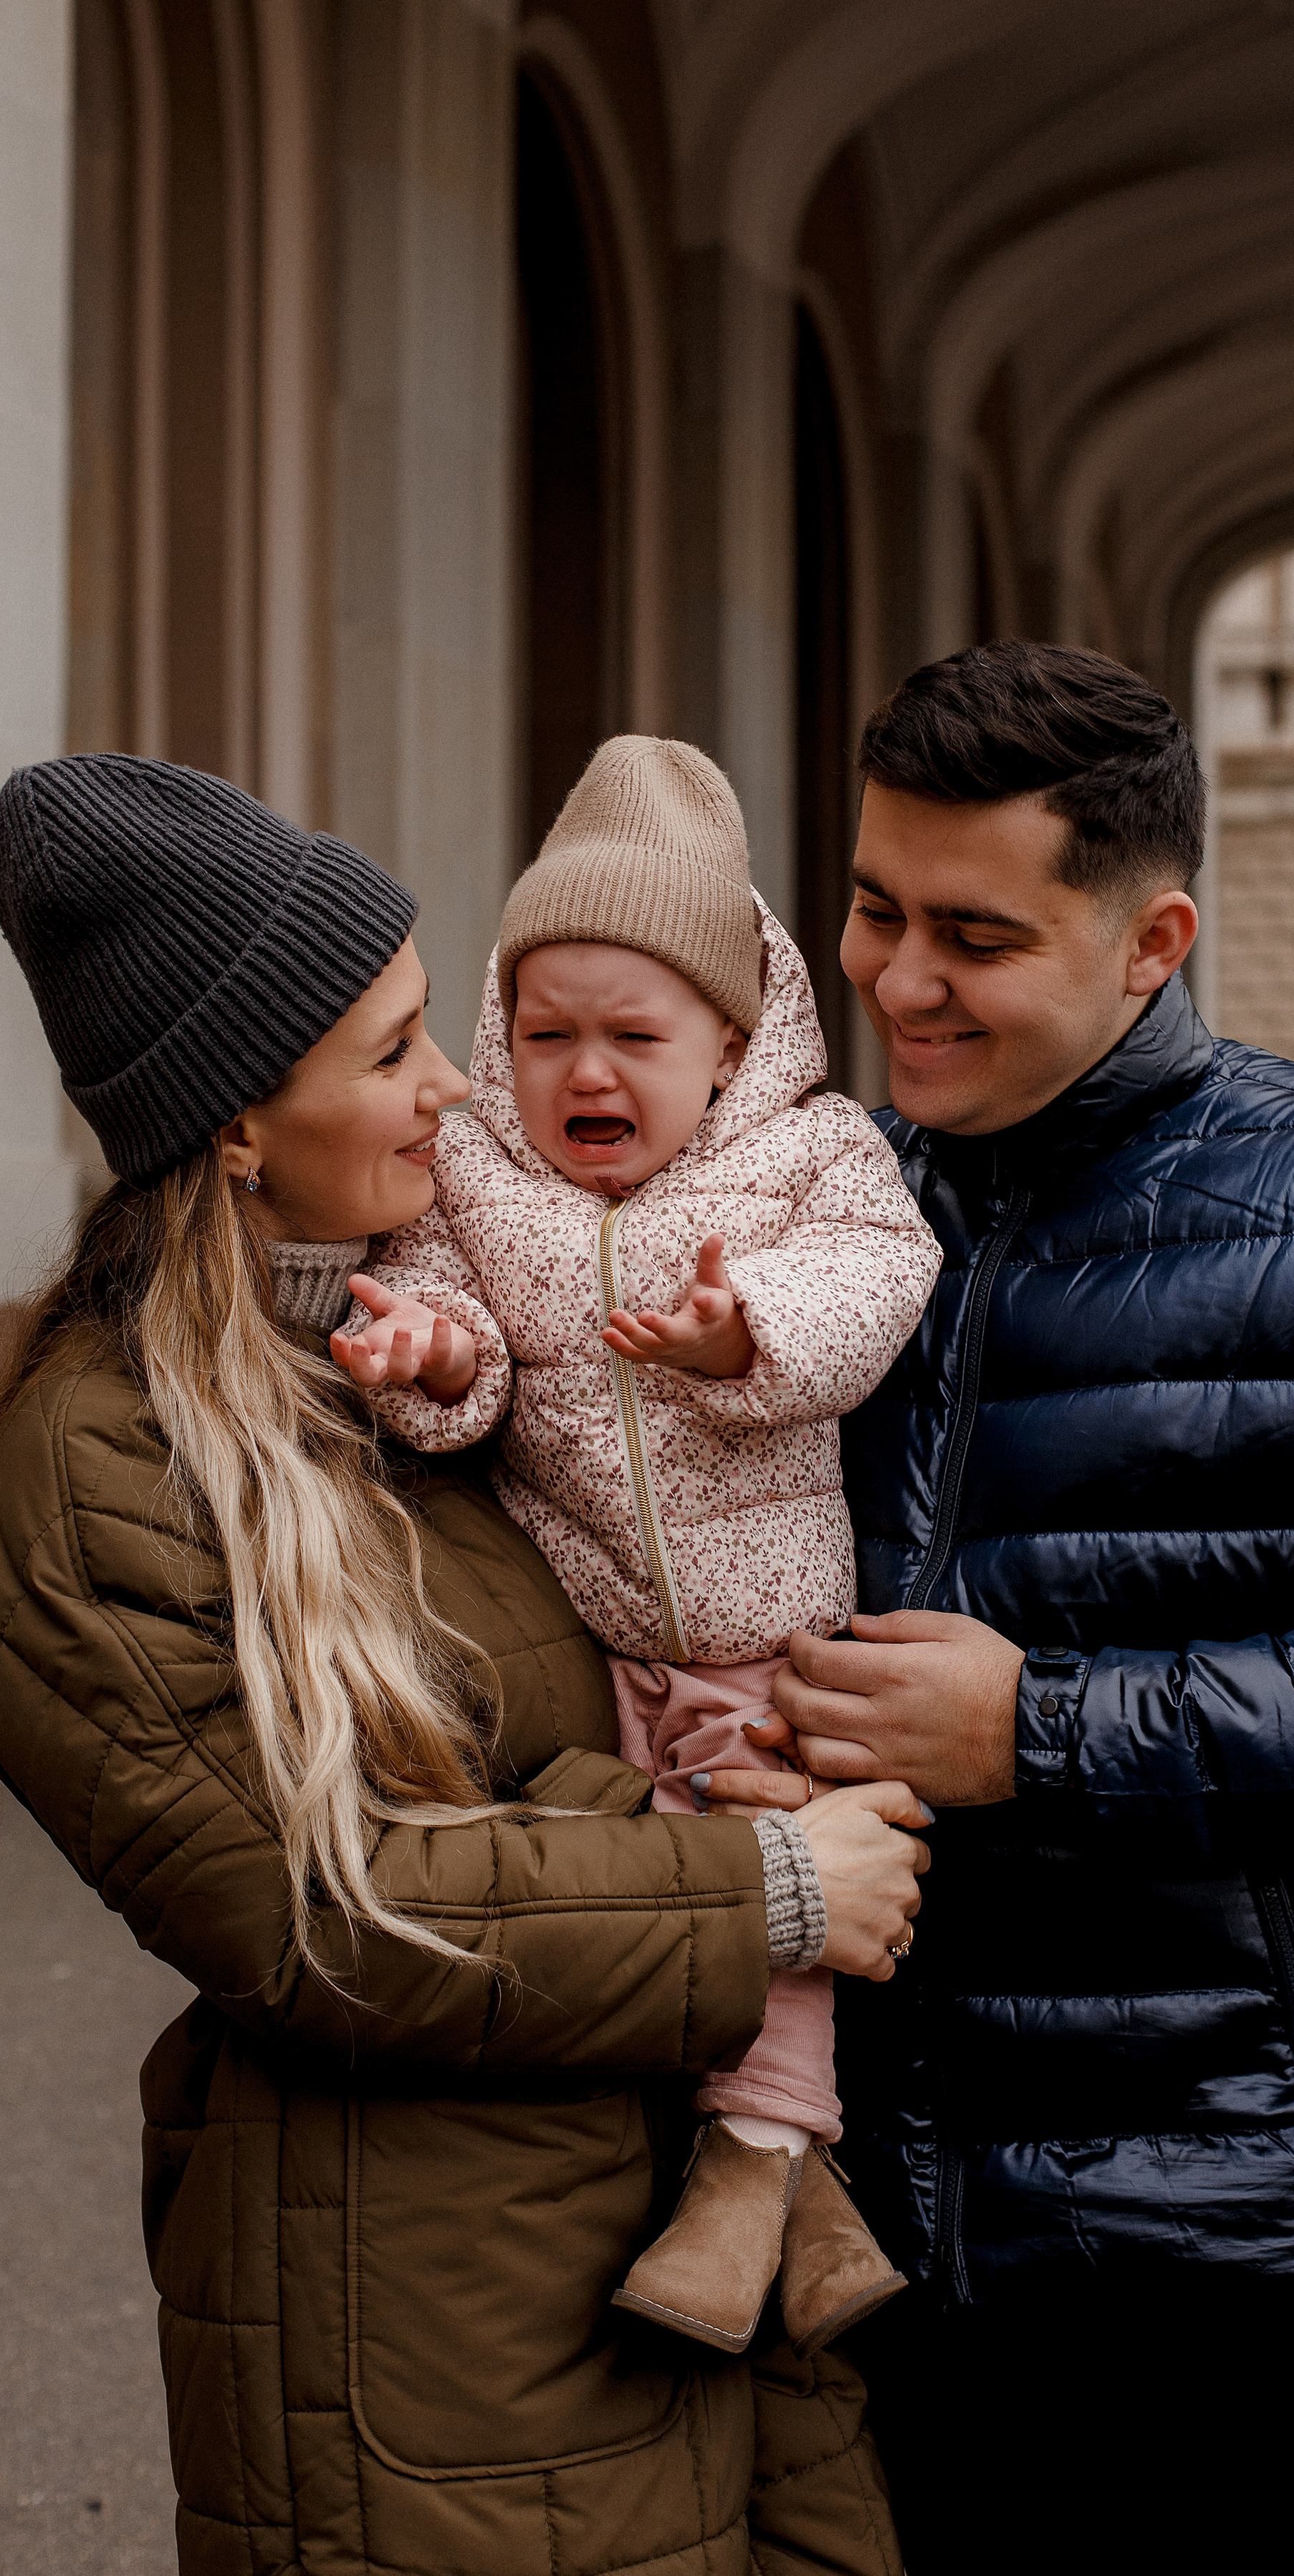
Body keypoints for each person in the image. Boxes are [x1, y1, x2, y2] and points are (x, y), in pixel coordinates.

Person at [0, 750, 926, 2576]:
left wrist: (749, 1766)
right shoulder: (105, 1466)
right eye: (394, 1051)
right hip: (426, 2376)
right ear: (236, 1120)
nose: (459, 1083)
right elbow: (322, 1909)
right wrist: (768, 1879)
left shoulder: (418, 1365)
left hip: (652, 2283)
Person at [703, 641, 1294, 2576]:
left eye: (975, 933)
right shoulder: (814, 1208)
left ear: (1153, 941)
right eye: (872, 908)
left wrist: (1039, 1735)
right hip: (876, 2225)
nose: (895, 976)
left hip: (1265, 2239)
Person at [332, 733, 940, 2360]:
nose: (585, 1075)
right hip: (587, 1624)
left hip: (766, 1630)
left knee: (767, 1860)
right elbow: (455, 1328)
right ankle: (801, 2210)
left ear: (731, 1040)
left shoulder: (809, 1156)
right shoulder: (474, 1174)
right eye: (546, 1035)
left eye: (634, 1036)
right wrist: (438, 1367)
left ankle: (749, 2170)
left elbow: (874, 1282)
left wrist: (748, 1336)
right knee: (641, 1892)